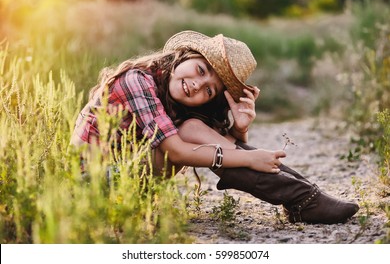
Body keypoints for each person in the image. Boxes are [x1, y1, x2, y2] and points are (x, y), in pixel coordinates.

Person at [71, 30, 359, 224]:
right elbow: (178, 152)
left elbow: (207, 144)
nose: (197, 85)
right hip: (93, 183)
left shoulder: (172, 93)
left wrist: (240, 130)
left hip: (129, 179)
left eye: (209, 91)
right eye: (200, 69)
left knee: (194, 129)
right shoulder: (138, 80)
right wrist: (248, 156)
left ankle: (304, 195)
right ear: (186, 55)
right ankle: (303, 198)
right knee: (189, 134)